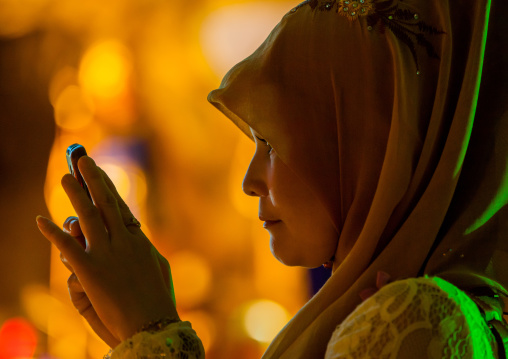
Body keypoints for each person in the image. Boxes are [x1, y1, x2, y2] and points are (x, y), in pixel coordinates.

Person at [36, 0, 508, 357]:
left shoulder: (416, 317)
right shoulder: (412, 306)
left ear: (372, 151)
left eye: (273, 143)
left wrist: (152, 330)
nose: (250, 181)